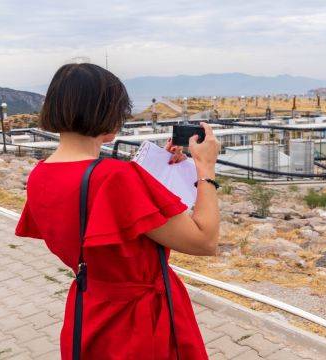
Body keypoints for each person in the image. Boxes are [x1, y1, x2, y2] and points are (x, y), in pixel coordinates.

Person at [15, 63, 220, 359]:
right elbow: (205, 241)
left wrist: (152, 172)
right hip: (140, 324)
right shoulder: (115, 177)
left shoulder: (40, 176)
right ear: (109, 116)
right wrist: (205, 168)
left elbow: (100, 210)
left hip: (90, 312)